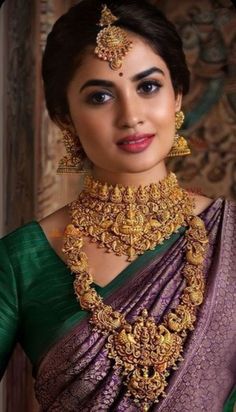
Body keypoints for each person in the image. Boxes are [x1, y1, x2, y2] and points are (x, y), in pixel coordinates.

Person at [0, 0, 235, 410]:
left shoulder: (228, 237)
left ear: (177, 95)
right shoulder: (24, 260)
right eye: (100, 96)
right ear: (65, 116)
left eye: (148, 87)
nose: (131, 116)